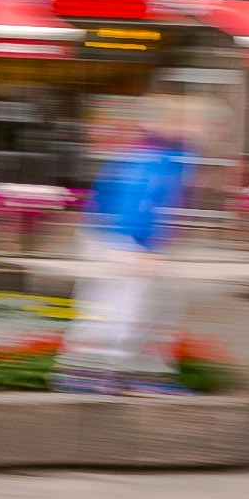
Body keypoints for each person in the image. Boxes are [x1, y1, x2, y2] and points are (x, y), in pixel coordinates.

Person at [56, 99, 196, 395]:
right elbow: (138, 199)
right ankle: (91, 373)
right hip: (120, 240)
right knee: (121, 308)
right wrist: (134, 245)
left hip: (117, 237)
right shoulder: (154, 155)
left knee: (130, 307)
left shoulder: (169, 153)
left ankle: (113, 373)